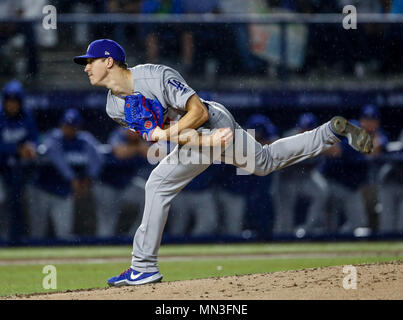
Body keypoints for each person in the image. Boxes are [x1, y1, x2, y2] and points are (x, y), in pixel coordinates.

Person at [73, 39, 373, 286]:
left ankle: (143, 267)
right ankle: (329, 132)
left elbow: (199, 112)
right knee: (263, 162)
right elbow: (172, 137)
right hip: (201, 138)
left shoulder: (153, 74)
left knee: (159, 185)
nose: (86, 67)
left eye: (90, 61)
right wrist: (206, 143)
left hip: (212, 119)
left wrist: (183, 134)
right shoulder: (114, 107)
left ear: (109, 61)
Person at [27, 108, 103, 239]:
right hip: (42, 189)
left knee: (64, 233)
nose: (69, 129)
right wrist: (72, 179)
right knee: (37, 231)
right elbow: (58, 158)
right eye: (66, 125)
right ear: (61, 125)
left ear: (78, 127)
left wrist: (90, 176)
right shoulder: (54, 137)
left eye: (72, 126)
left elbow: (99, 157)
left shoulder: (84, 140)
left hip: (63, 192)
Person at [273, 113, 328, 237]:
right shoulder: (289, 138)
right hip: (287, 178)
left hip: (306, 176)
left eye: (309, 129)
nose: (305, 131)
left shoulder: (319, 139)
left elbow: (319, 161)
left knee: (321, 191)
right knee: (285, 214)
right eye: (304, 128)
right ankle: (283, 236)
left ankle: (309, 229)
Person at [93, 126, 149, 237]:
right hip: (106, 183)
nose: (133, 132)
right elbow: (120, 153)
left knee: (149, 198)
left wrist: (133, 148)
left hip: (126, 183)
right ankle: (104, 245)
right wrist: (137, 148)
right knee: (107, 220)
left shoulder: (143, 135)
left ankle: (134, 237)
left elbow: (152, 153)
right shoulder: (118, 133)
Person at [0, 80, 38, 242]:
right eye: (9, 101)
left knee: (19, 204)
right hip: (1, 168)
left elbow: (35, 139)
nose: (12, 105)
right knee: (2, 202)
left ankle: (16, 239)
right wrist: (16, 149)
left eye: (15, 102)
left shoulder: (27, 116)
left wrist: (31, 147)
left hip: (18, 170)